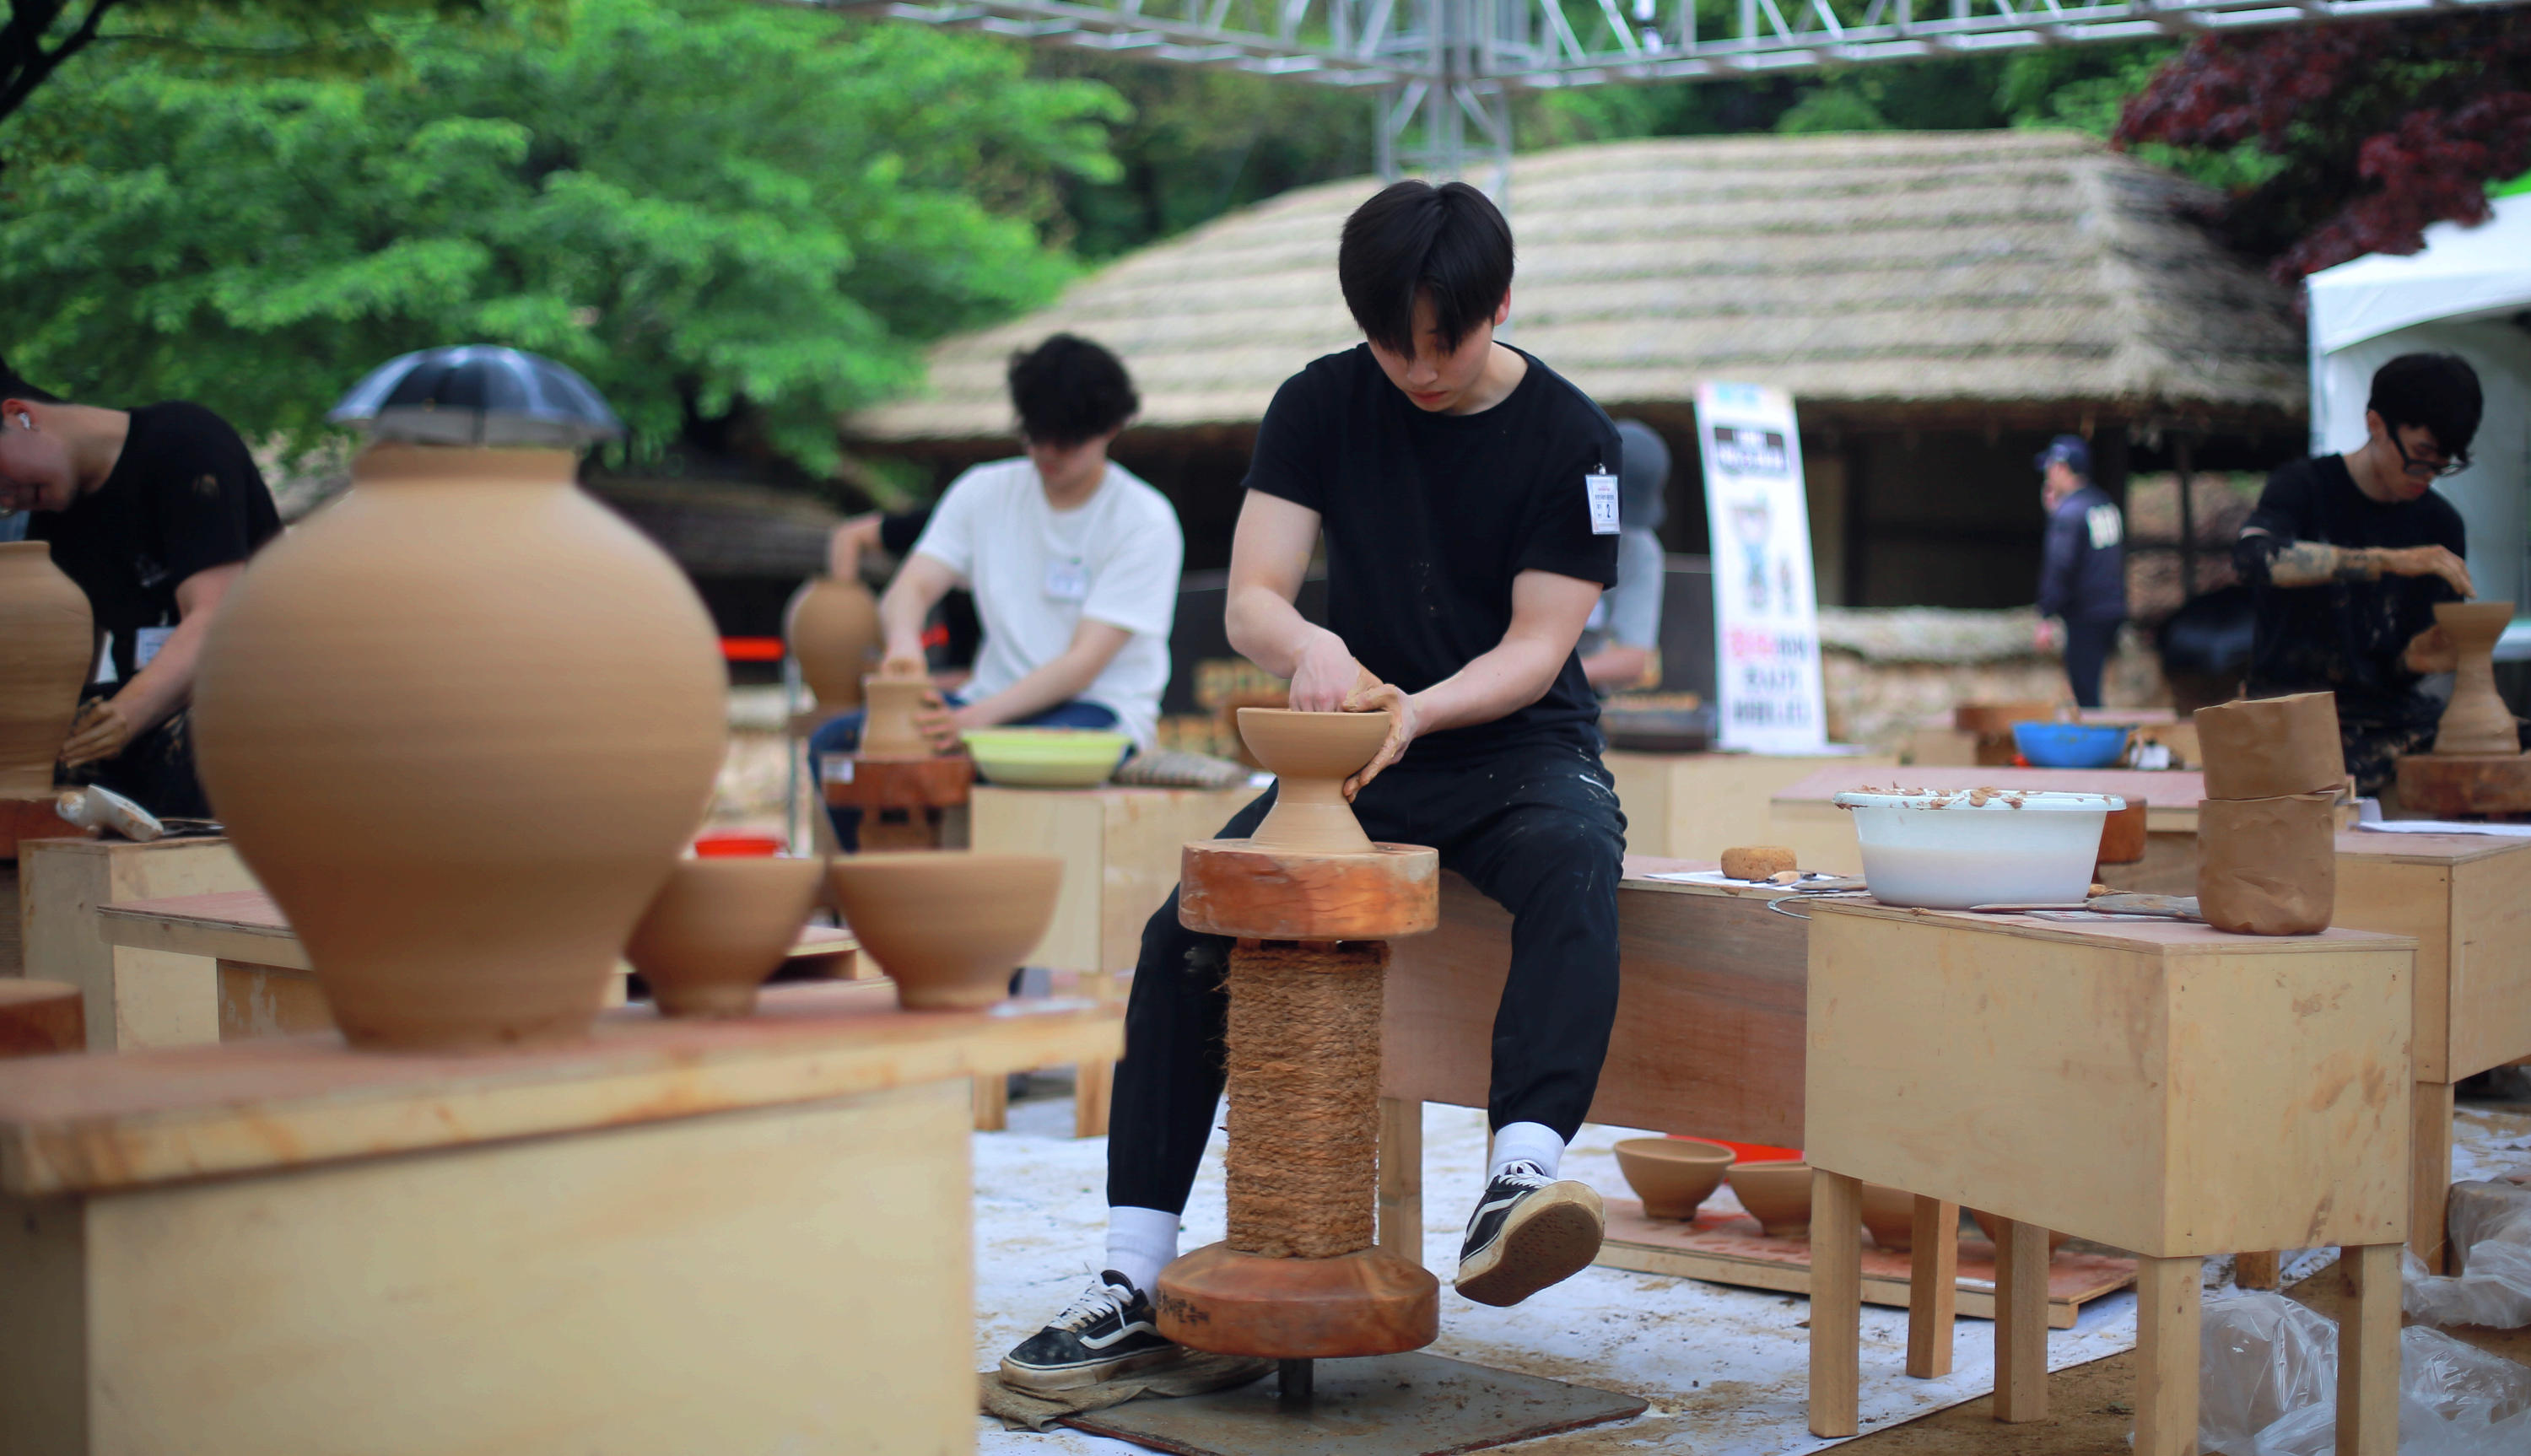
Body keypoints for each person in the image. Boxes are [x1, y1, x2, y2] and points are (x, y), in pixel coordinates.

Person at [1000, 179, 1627, 1393]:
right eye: (1393, 342)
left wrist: (1418, 708)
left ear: (1502, 303)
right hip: (1350, 756)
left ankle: (1519, 1176)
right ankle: (1133, 1273)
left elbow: (1537, 646)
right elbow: (1254, 597)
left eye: (1446, 340)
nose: (1420, 369)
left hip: (1516, 746)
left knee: (1576, 856)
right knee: (1187, 925)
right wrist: (1311, 646)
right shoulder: (1320, 402)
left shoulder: (1572, 437)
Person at [809, 334, 1182, 849]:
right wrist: (904, 642)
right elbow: (910, 587)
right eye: (1035, 435)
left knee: (1010, 756)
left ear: (1110, 429)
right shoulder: (984, 490)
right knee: (835, 745)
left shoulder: (1143, 520)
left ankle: (953, 885)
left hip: (1095, 710)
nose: (1046, 452)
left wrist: (971, 723)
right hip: (986, 702)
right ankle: (885, 882)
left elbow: (1083, 665)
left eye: (1065, 441)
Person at [0, 373, 279, 820]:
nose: (9, 499)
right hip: (144, 709)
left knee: (202, 744)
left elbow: (217, 618)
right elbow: (67, 668)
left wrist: (126, 714)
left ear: (21, 417)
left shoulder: (186, 444)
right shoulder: (54, 512)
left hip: (261, 686)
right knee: (55, 768)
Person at [2234, 352, 2512, 795]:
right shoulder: (2304, 485)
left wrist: (2416, 659)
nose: (2428, 474)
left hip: (2387, 718)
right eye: (2421, 455)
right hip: (2291, 708)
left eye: (2443, 463)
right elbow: (2254, 558)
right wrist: (2385, 561)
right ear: (2376, 424)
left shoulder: (2441, 524)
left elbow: (2397, 670)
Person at [2031, 435, 2127, 709]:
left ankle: (2098, 736)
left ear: (2062, 469)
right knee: (2093, 687)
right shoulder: (2103, 503)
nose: (2047, 478)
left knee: (2086, 697)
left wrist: (2046, 613)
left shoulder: (2069, 513)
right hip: (2113, 608)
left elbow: (2060, 564)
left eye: (2050, 469)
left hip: (2087, 614)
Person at [1578, 418, 1668, 693]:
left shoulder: (1638, 549)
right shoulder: (1532, 520)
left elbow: (1634, 658)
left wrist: (1549, 679)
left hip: (1573, 688)